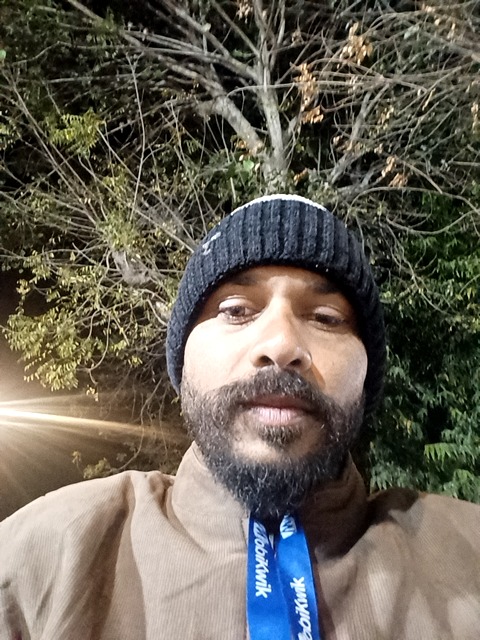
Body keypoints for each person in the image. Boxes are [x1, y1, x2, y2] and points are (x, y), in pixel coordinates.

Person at [0, 194, 478, 640]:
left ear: (368, 372)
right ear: (182, 360)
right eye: (235, 310)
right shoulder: (41, 555)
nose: (281, 345)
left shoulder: (466, 554)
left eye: (326, 318)